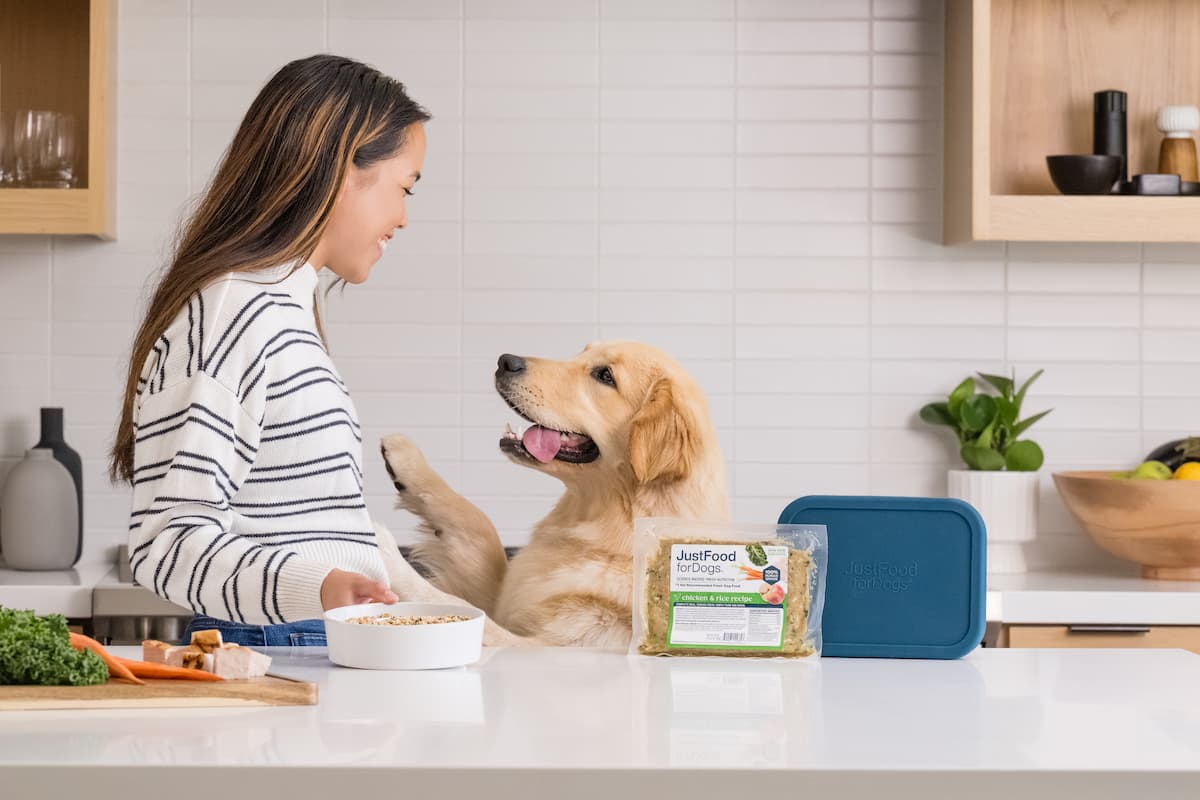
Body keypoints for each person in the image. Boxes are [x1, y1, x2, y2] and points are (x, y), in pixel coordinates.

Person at [108, 54, 428, 647]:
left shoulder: (276, 309)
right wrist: (321, 587)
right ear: (342, 167)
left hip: (310, 638)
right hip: (275, 643)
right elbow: (166, 542)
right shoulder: (235, 311)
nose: (403, 218)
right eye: (404, 188)